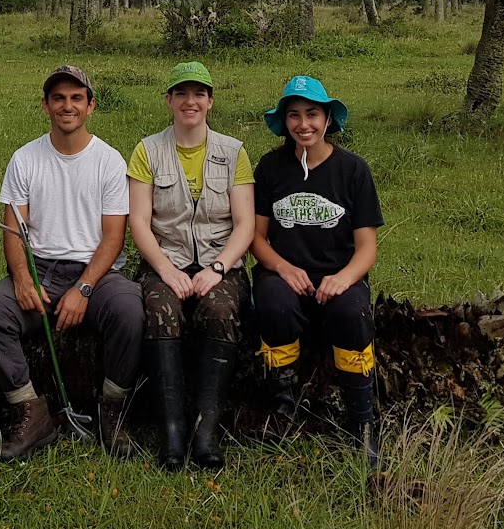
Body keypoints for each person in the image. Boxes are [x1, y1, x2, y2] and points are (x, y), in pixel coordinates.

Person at [0, 65, 143, 461]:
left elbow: (114, 237)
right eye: (59, 98)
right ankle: (30, 410)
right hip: (40, 267)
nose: (68, 106)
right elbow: (14, 230)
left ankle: (113, 411)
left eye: (76, 98)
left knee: (131, 309)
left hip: (94, 272)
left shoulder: (109, 161)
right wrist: (22, 278)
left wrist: (83, 288)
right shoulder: (25, 158)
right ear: (46, 106)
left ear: (91, 106)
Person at [127, 61, 255, 470]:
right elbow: (139, 223)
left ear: (210, 101)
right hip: (165, 261)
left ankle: (206, 431)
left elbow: (246, 224)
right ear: (168, 100)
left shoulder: (233, 152)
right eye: (181, 93)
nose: (190, 101)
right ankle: (172, 433)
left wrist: (217, 269)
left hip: (221, 264)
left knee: (219, 310)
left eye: (199, 93)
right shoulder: (147, 151)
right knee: (161, 311)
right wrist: (167, 270)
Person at [250, 76, 383, 467]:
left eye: (312, 114)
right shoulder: (271, 168)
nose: (303, 124)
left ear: (328, 119)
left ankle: (361, 424)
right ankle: (283, 407)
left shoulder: (353, 171)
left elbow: (367, 247)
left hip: (340, 274)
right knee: (273, 304)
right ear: (284, 122)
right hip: (282, 272)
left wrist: (344, 278)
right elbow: (256, 237)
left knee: (352, 315)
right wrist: (282, 267)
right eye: (294, 115)